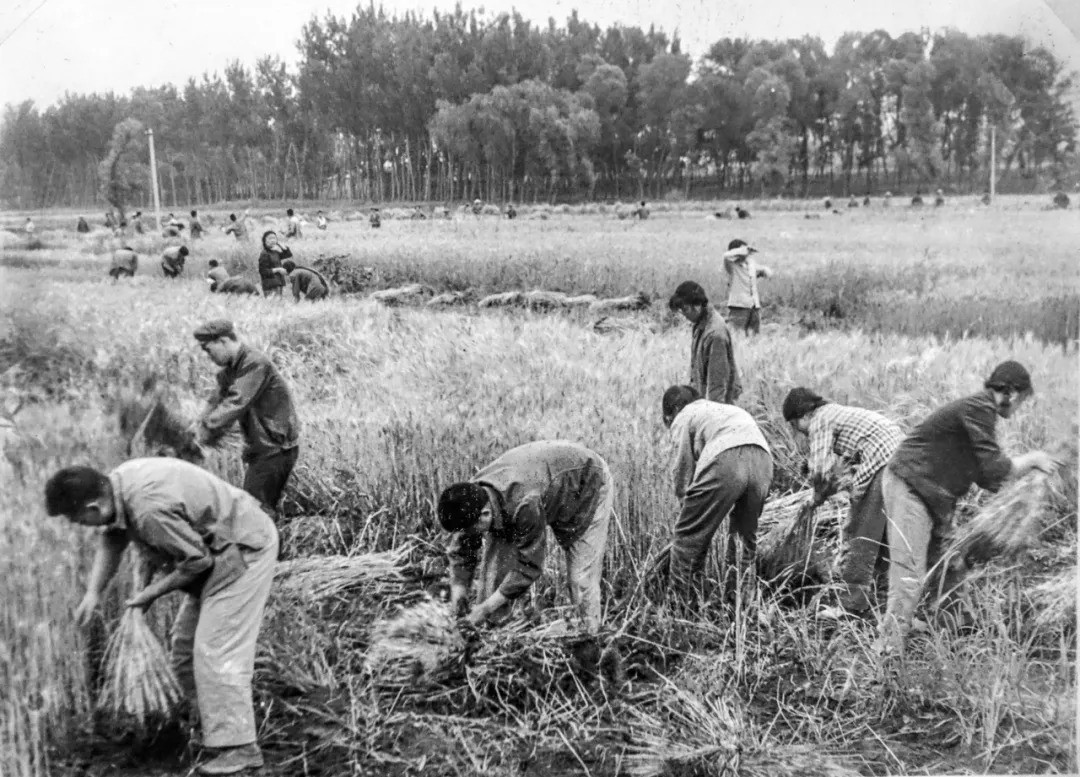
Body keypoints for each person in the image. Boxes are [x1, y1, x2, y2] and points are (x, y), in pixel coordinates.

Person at [46, 458, 277, 775]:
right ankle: (212, 731)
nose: (81, 526)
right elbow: (113, 538)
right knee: (184, 649)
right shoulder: (117, 487)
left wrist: (148, 595)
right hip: (219, 551)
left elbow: (197, 561)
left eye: (78, 520)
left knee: (215, 651)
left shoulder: (148, 508)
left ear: (93, 508)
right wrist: (93, 593)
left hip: (244, 549)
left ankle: (240, 749)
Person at [878, 361, 1057, 655]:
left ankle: (951, 632)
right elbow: (996, 468)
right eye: (1021, 400)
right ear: (1010, 393)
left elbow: (987, 478)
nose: (1018, 408)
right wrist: (1033, 460)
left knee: (950, 563)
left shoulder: (979, 412)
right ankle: (889, 649)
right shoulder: (979, 408)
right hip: (911, 486)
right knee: (909, 571)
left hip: (936, 494)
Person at [440, 441, 614, 633]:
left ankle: (589, 638)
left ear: (485, 514)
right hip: (542, 482)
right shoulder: (470, 497)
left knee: (581, 580)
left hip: (585, 482)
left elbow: (529, 566)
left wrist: (484, 609)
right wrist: (459, 593)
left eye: (470, 530)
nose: (467, 535)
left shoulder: (525, 504)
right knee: (495, 570)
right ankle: (493, 633)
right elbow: (461, 549)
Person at [782, 388, 904, 617]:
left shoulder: (820, 420)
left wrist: (815, 499)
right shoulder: (837, 413)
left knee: (859, 532)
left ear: (805, 415)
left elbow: (821, 472)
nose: (798, 432)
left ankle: (850, 605)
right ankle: (881, 590)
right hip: (902, 457)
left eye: (795, 424)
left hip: (882, 460)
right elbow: (843, 467)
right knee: (885, 532)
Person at [663, 385, 772, 600]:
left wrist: (688, 517)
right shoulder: (723, 410)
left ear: (674, 410)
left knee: (688, 539)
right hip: (763, 461)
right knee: (743, 540)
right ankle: (741, 605)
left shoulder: (684, 416)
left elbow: (681, 471)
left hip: (726, 458)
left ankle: (680, 606)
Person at [193, 320, 300, 516]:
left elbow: (235, 402)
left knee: (255, 513)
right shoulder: (231, 371)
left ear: (224, 341)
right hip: (262, 448)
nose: (208, 356)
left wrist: (205, 429)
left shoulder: (254, 363)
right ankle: (268, 542)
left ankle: (269, 545)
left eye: (208, 350)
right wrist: (195, 428)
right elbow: (215, 401)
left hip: (276, 449)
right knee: (256, 510)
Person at [668, 281, 741, 404]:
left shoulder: (716, 335)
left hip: (720, 406)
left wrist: (711, 415)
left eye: (685, 309)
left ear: (697, 306)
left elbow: (717, 384)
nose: (684, 315)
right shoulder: (700, 324)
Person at [722, 239, 772, 335]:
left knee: (754, 336)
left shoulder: (750, 263)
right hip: (739, 305)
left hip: (754, 306)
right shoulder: (732, 265)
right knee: (736, 335)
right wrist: (743, 250)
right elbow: (726, 255)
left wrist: (765, 271)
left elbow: (765, 271)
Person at [257, 231, 291, 296]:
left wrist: (281, 245)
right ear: (264, 241)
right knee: (274, 305)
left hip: (278, 282)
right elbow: (263, 271)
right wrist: (278, 269)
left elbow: (288, 254)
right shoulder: (264, 254)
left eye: (274, 238)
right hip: (270, 285)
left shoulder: (275, 252)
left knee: (279, 305)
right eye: (270, 238)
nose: (272, 240)